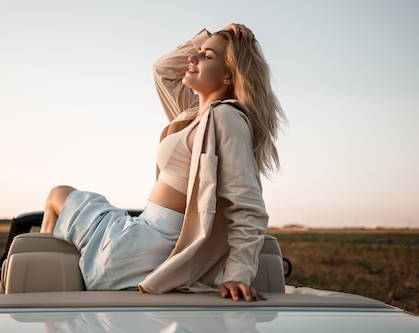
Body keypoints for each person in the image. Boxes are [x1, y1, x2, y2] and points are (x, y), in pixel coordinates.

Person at [40, 23, 284, 302]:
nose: (193, 58)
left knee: (57, 195)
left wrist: (238, 275)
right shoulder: (194, 115)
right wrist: (208, 39)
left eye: (207, 56)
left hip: (142, 246)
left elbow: (248, 205)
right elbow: (163, 70)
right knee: (61, 196)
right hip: (142, 239)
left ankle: (42, 280)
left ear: (229, 75)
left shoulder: (226, 118)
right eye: (198, 53)